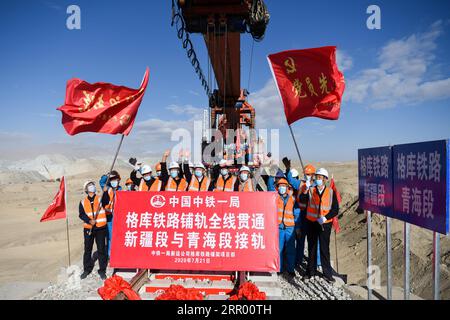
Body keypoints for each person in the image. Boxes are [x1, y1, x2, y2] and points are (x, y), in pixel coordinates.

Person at [300, 168, 339, 282]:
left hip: (325, 225)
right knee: (312, 247)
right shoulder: (311, 190)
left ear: (325, 179)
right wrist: (305, 190)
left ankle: (327, 274)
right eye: (317, 177)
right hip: (311, 223)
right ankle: (310, 272)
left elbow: (335, 209)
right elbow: (302, 201)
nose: (318, 179)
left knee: (324, 248)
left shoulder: (331, 192)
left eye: (320, 178)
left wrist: (325, 218)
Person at [267, 177, 300, 276]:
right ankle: (279, 269)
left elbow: (297, 214)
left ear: (287, 187)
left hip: (290, 228)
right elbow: (269, 186)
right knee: (279, 249)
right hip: (279, 228)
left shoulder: (293, 199)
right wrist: (271, 176)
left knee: (291, 250)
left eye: (284, 186)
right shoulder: (275, 197)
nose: (282, 188)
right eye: (280, 186)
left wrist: (298, 227)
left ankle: (290, 269)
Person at [79, 180, 109, 280]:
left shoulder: (100, 198)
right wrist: (88, 220)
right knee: (87, 249)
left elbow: (106, 202)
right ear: (86, 189)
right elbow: (81, 214)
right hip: (89, 229)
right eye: (89, 185)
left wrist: (105, 192)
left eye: (92, 185)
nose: (92, 186)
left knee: (101, 250)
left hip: (100, 228)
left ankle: (102, 270)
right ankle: (86, 269)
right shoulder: (83, 202)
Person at [102, 170, 122, 259]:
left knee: (118, 235)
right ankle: (110, 255)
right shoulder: (108, 188)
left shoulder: (121, 190)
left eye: (115, 179)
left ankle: (118, 252)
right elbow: (101, 182)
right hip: (109, 215)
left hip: (118, 215)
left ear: (118, 180)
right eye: (112, 179)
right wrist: (107, 176)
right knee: (110, 236)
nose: (114, 181)